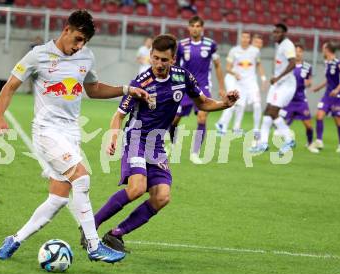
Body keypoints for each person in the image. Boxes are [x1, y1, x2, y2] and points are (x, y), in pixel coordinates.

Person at [0, 10, 149, 263]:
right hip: (46, 132)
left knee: (57, 199)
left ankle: (15, 240)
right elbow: (10, 85)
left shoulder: (86, 56)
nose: (79, 46)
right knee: (82, 178)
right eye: (77, 39)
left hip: (71, 133)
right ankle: (93, 245)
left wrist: (127, 89)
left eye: (84, 42)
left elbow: (94, 89)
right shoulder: (38, 55)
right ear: (66, 30)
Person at [82, 34, 239, 252]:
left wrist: (225, 104)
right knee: (137, 188)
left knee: (162, 197)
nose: (158, 64)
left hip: (156, 145)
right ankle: (90, 225)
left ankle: (116, 234)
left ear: (173, 59)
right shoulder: (141, 83)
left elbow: (202, 103)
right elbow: (118, 115)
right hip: (136, 139)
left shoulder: (183, 77)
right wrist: (113, 136)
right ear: (150, 56)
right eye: (155, 58)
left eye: (164, 60)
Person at [168, 16, 226, 164]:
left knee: (202, 117)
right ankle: (172, 144)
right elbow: (174, 65)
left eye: (198, 26)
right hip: (185, 87)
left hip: (203, 86)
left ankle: (195, 153)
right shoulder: (181, 45)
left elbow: (218, 65)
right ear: (189, 28)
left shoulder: (210, 44)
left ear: (202, 28)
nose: (195, 28)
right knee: (174, 119)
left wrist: (222, 87)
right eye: (192, 26)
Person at [250, 23, 296, 156]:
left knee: (273, 111)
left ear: (284, 33)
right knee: (267, 113)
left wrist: (278, 77)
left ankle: (289, 139)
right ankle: (263, 144)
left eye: (278, 32)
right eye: (274, 32)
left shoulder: (287, 45)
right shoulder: (279, 45)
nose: (275, 34)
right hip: (277, 84)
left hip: (286, 85)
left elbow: (293, 63)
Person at [215, 31, 266, 137]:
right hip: (238, 83)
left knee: (256, 105)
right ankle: (223, 126)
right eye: (243, 37)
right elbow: (228, 68)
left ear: (249, 39)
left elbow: (259, 65)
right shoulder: (234, 51)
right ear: (240, 38)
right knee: (235, 105)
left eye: (247, 37)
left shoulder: (255, 51)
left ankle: (256, 130)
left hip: (251, 83)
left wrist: (263, 79)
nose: (245, 39)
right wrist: (235, 73)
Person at [311, 42, 340, 153]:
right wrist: (318, 87)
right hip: (327, 95)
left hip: (338, 96)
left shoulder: (338, 63)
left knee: (339, 122)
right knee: (319, 115)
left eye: (323, 48)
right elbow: (329, 80)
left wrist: (337, 89)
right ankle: (319, 140)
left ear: (327, 49)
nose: (322, 50)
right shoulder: (327, 63)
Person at [279, 44, 318, 153]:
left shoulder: (307, 66)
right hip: (289, 100)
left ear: (302, 53)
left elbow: (309, 81)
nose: (298, 53)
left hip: (301, 100)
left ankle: (310, 144)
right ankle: (286, 141)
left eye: (300, 51)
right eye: (296, 51)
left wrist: (308, 83)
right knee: (279, 124)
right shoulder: (288, 65)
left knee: (308, 125)